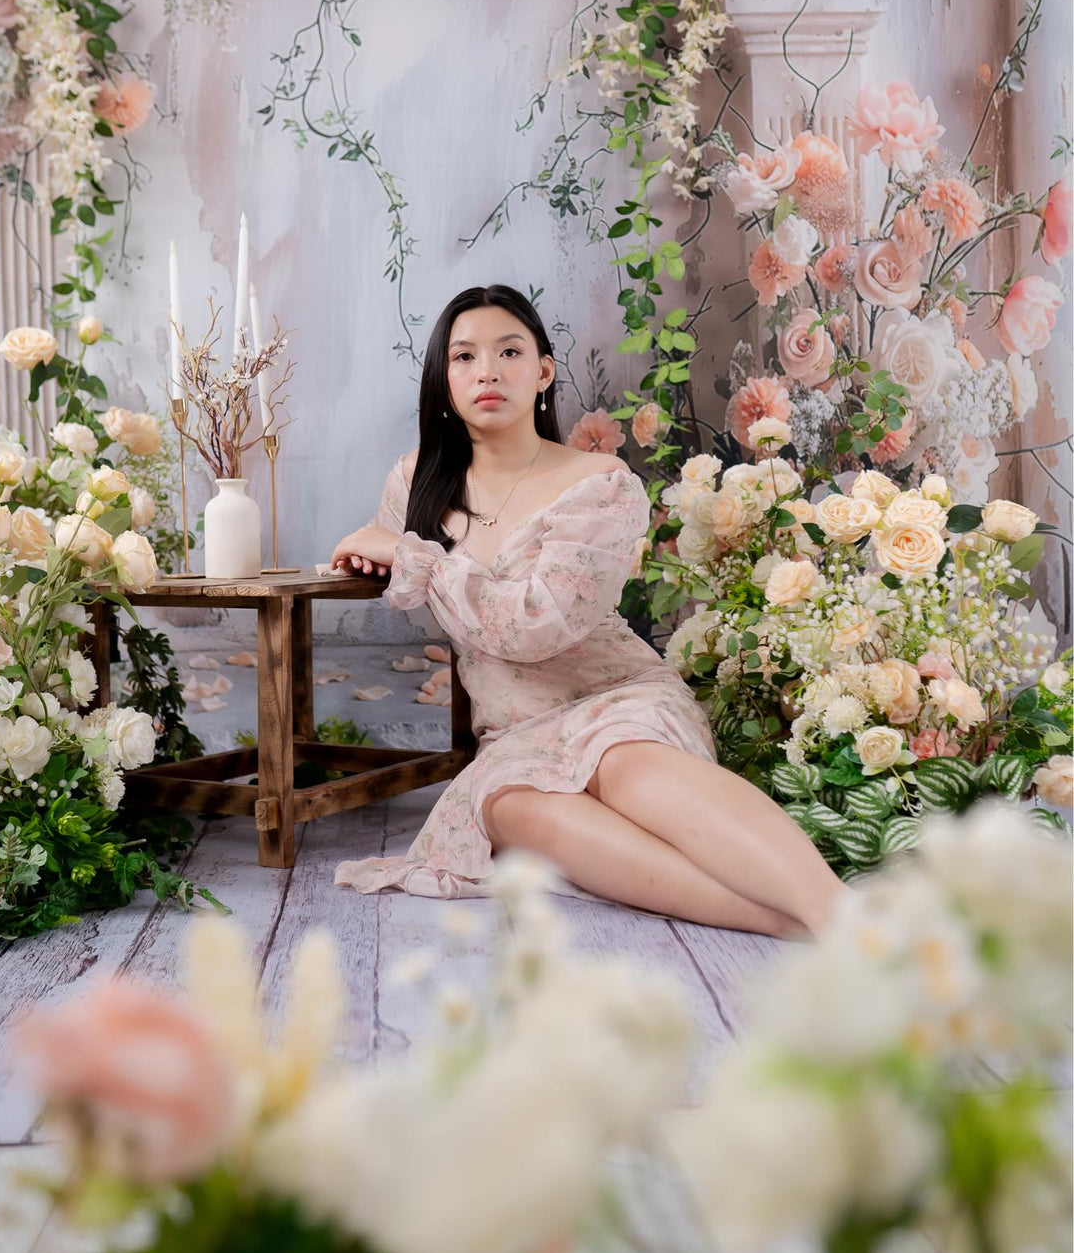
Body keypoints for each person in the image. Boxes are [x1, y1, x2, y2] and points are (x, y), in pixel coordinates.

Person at [330, 284, 846, 937]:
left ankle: (835, 910)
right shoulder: (414, 480)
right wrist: (381, 552)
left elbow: (533, 624)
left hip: (615, 696)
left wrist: (413, 558)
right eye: (463, 357)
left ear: (543, 371)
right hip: (515, 731)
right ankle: (791, 925)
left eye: (508, 351)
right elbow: (387, 563)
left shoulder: (598, 483)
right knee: (513, 809)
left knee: (622, 762)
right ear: (444, 378)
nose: (486, 370)